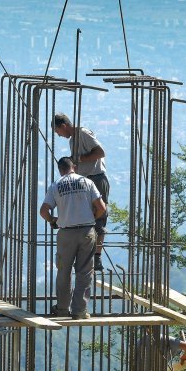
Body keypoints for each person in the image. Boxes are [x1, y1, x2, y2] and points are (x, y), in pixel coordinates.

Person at [40, 156, 106, 319]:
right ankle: (79, 311)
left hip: (66, 233)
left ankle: (62, 308)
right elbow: (102, 208)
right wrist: (92, 217)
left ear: (60, 170)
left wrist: (53, 220)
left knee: (64, 271)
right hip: (86, 232)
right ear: (74, 167)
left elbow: (43, 211)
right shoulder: (87, 182)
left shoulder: (56, 185)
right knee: (84, 272)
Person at [51, 113, 110, 272]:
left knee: (99, 217)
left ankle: (96, 257)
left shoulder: (82, 133)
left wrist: (79, 159)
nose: (59, 135)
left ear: (63, 126)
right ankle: (88, 253)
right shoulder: (73, 140)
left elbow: (100, 152)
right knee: (86, 217)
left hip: (96, 179)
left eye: (58, 131)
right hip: (85, 180)